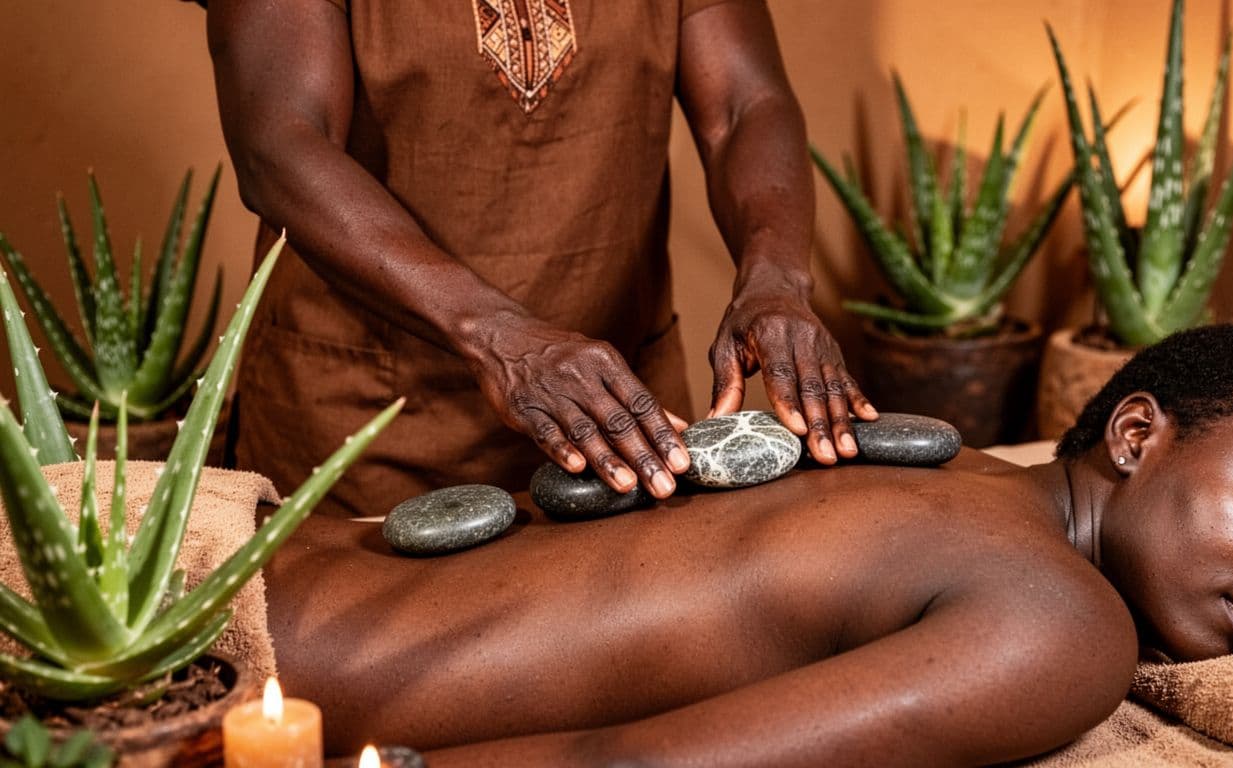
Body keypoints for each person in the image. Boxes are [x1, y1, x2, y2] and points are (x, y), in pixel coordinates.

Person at [259, 325, 1233, 762]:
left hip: (266, 561)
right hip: (260, 675)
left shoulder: (953, 464)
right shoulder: (1067, 625)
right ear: (1135, 435)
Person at [201, 0, 874, 517]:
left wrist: (775, 279)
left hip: (621, 414)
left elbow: (743, 104)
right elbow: (280, 144)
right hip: (370, 426)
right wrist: (496, 336)